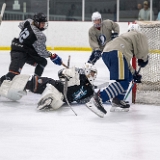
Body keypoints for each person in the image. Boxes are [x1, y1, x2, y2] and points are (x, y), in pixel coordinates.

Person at [86, 23, 149, 117]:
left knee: (127, 77)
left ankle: (117, 101)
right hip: (116, 53)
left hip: (108, 54)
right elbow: (143, 51)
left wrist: (134, 73)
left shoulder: (125, 39)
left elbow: (126, 63)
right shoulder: (138, 34)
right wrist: (144, 59)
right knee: (123, 82)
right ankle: (98, 97)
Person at [0, 63, 97, 111]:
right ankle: (6, 84)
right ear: (87, 71)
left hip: (61, 97)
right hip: (55, 86)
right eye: (91, 73)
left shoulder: (90, 90)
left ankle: (49, 100)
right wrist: (68, 75)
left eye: (93, 74)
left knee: (48, 93)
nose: (92, 76)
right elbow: (60, 73)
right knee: (33, 82)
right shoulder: (77, 74)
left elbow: (82, 100)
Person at [0, 12, 63, 85]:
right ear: (36, 22)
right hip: (19, 51)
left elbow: (21, 25)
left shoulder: (28, 21)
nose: (43, 25)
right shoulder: (39, 35)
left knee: (42, 62)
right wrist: (52, 55)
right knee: (13, 74)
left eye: (44, 23)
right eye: (42, 23)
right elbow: (41, 52)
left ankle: (35, 81)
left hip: (25, 49)